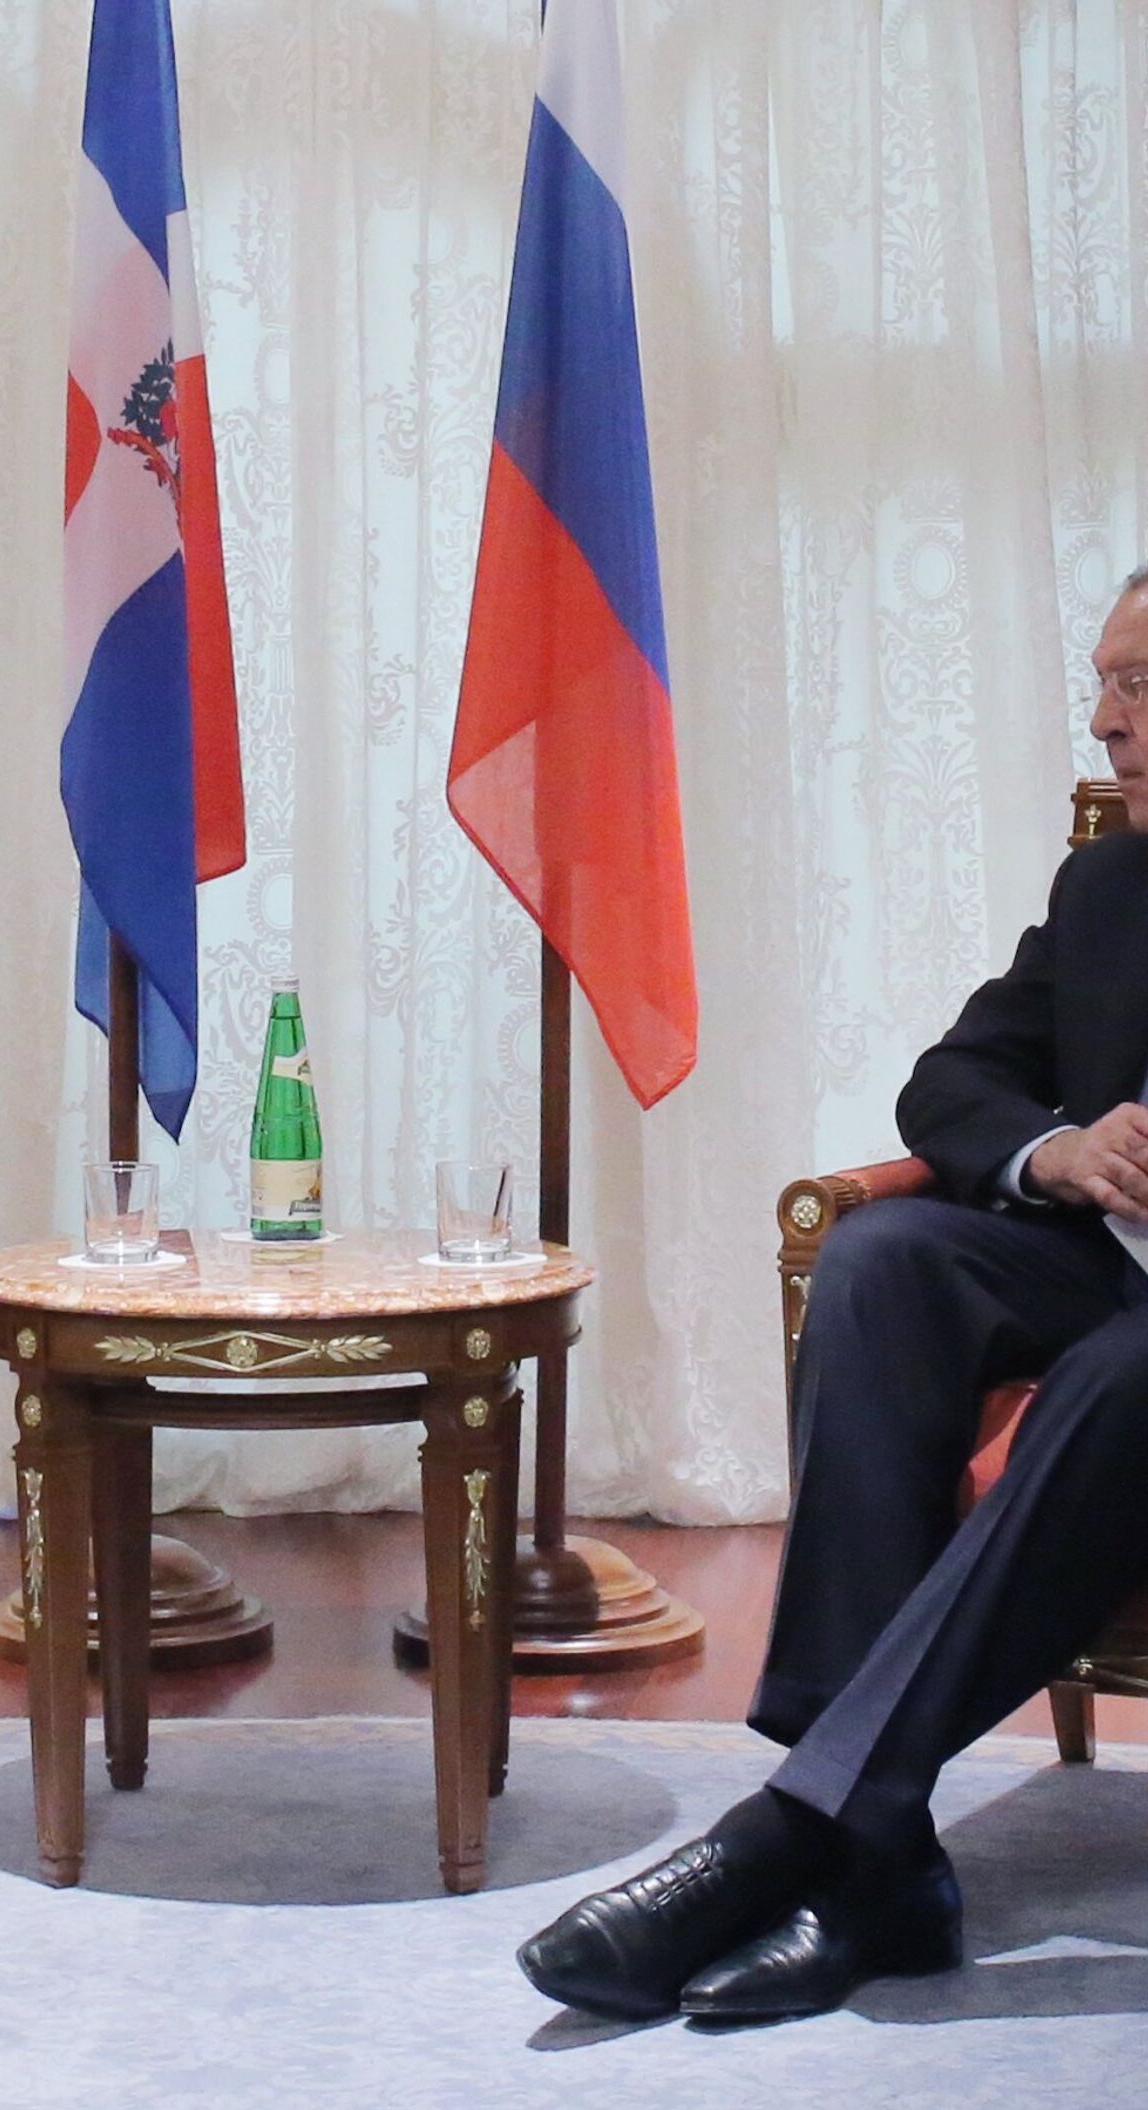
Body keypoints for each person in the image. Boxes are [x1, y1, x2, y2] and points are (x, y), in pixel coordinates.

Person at [520, 565, 1148, 2026]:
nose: (1105, 722)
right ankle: (877, 1849)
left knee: (1119, 1378)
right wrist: (1060, 1152)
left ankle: (805, 1837)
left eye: (1137, 686)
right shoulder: (1110, 884)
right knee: (879, 1262)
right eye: (1102, 687)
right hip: (1112, 1261)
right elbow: (952, 1083)